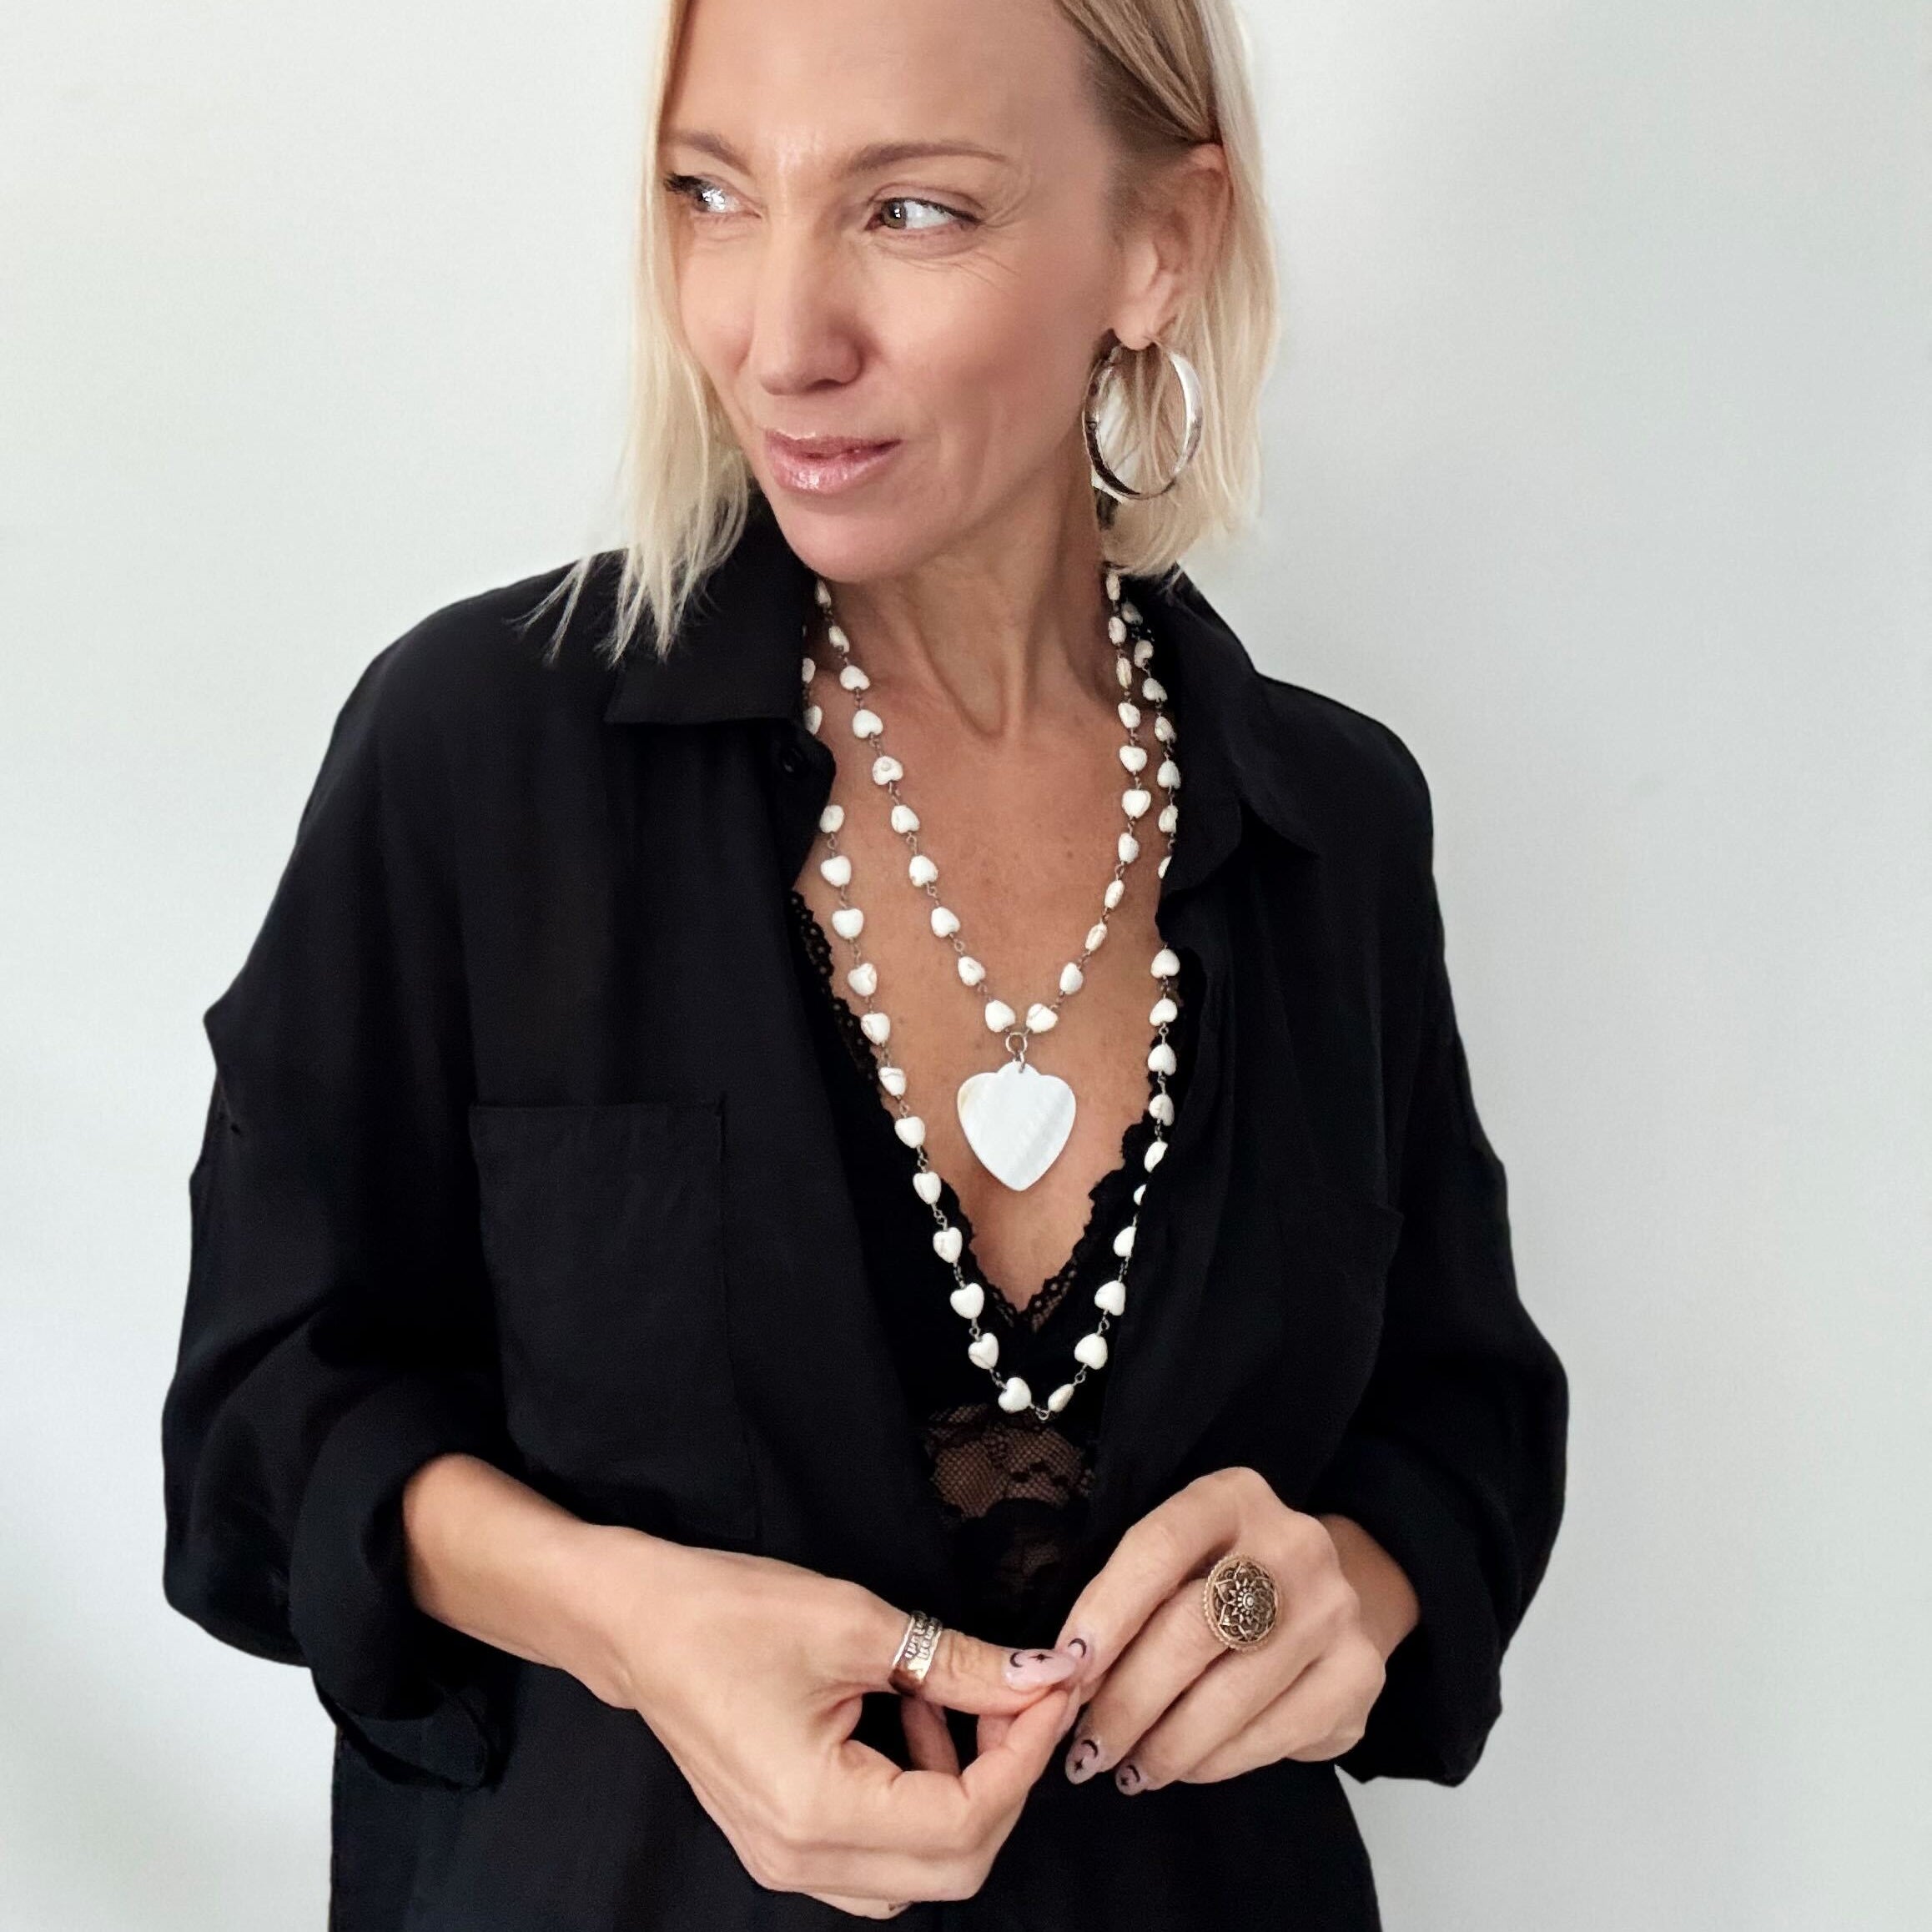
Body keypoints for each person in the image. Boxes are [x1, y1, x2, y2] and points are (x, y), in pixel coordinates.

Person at [159, 0, 1569, 1924]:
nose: (776, 333)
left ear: (1162, 245)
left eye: (911, 211)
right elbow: (265, 1419)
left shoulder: (1332, 820)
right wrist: (632, 1622)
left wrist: (1342, 1587)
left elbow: (1461, 1423)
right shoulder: (477, 758)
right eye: (711, 194)